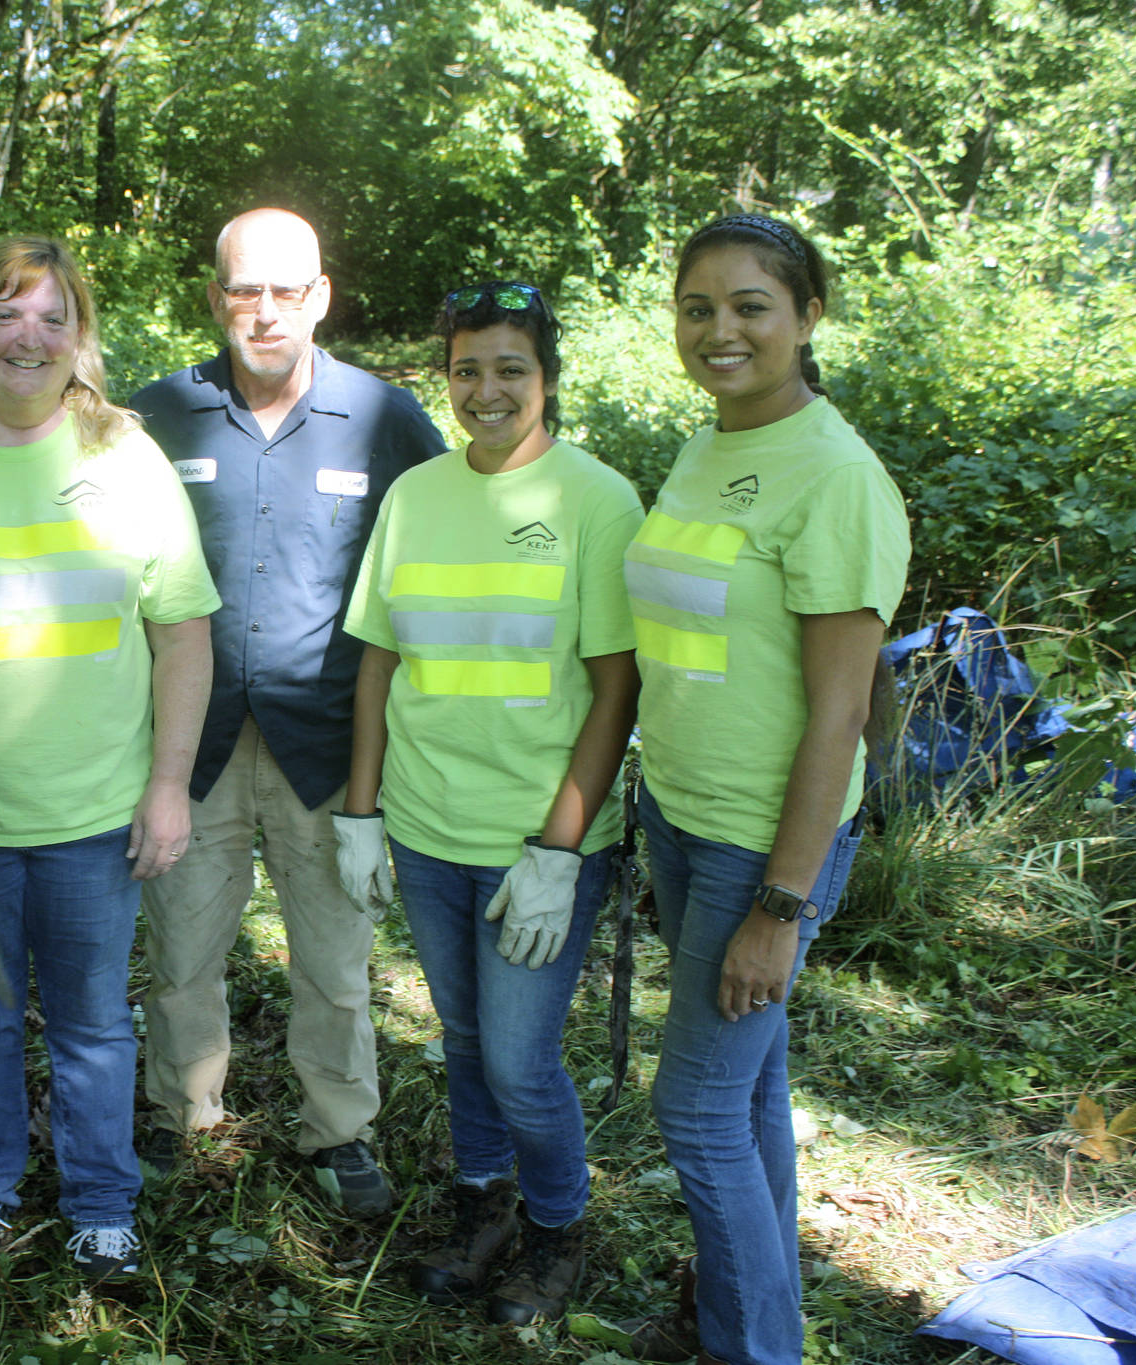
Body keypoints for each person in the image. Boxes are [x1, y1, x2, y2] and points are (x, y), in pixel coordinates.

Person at [0, 236, 219, 1282]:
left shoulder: (123, 456)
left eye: (51, 317)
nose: (27, 337)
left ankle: (99, 1204)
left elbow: (180, 629)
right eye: (3, 313)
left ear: (79, 336)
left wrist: (168, 783)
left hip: (95, 809)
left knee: (90, 1024)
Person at [624, 215, 909, 1365]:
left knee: (691, 1114)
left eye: (749, 306)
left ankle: (755, 1350)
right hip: (681, 816)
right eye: (697, 307)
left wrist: (780, 906)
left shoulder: (835, 479)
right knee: (744, 1092)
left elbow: (840, 718)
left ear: (804, 317)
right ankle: (748, 1319)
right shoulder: (706, 445)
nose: (719, 330)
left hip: (762, 845)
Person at [127, 208, 445, 1216]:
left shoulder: (385, 418)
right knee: (181, 952)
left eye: (284, 289)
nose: (262, 311)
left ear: (319, 296)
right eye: (241, 290)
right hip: (191, 745)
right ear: (214, 297)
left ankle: (338, 1129)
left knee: (336, 963)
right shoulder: (155, 415)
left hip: (331, 747)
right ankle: (185, 1117)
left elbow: (440, 549)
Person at [339, 281, 643, 1323]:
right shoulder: (415, 495)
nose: (485, 389)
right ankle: (484, 1207)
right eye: (466, 368)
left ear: (546, 378)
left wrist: (559, 850)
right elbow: (379, 660)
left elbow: (615, 687)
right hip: (425, 829)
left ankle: (558, 1231)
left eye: (509, 368)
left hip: (533, 842)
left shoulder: (595, 500)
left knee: (519, 1060)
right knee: (463, 1041)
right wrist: (359, 810)